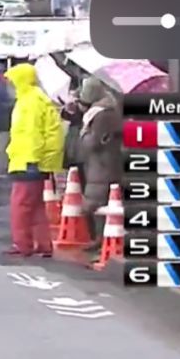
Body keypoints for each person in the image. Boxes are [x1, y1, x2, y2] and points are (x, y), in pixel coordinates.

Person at [4, 64, 65, 258]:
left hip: (28, 160)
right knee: (36, 206)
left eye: (12, 81)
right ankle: (43, 244)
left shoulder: (29, 103)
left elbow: (31, 135)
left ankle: (23, 244)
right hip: (37, 161)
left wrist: (31, 160)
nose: (9, 86)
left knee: (20, 206)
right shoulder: (37, 99)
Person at [71, 77, 123, 249]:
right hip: (102, 164)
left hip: (102, 165)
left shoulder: (102, 115)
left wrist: (84, 134)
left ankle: (101, 240)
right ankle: (101, 239)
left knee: (95, 204)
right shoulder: (104, 111)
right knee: (101, 204)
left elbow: (93, 142)